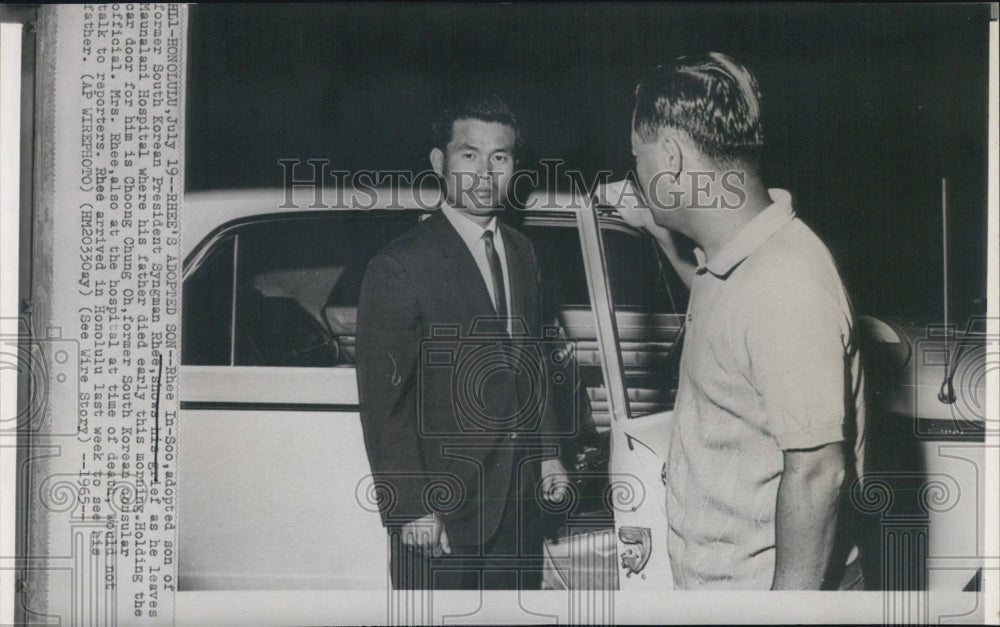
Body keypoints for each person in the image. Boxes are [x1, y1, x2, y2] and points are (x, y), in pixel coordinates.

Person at [607, 52, 865, 590]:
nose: (637, 174)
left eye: (639, 160)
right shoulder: (735, 261)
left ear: (671, 157)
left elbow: (818, 474)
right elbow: (729, 329)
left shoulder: (784, 281)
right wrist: (660, 231)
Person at [355, 94, 570, 590]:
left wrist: (550, 452)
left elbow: (531, 357)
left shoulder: (522, 251)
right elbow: (384, 404)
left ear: (515, 167)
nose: (484, 172)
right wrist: (411, 509)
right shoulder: (400, 265)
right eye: (468, 154)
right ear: (439, 163)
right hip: (442, 515)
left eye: (501, 157)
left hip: (516, 510)